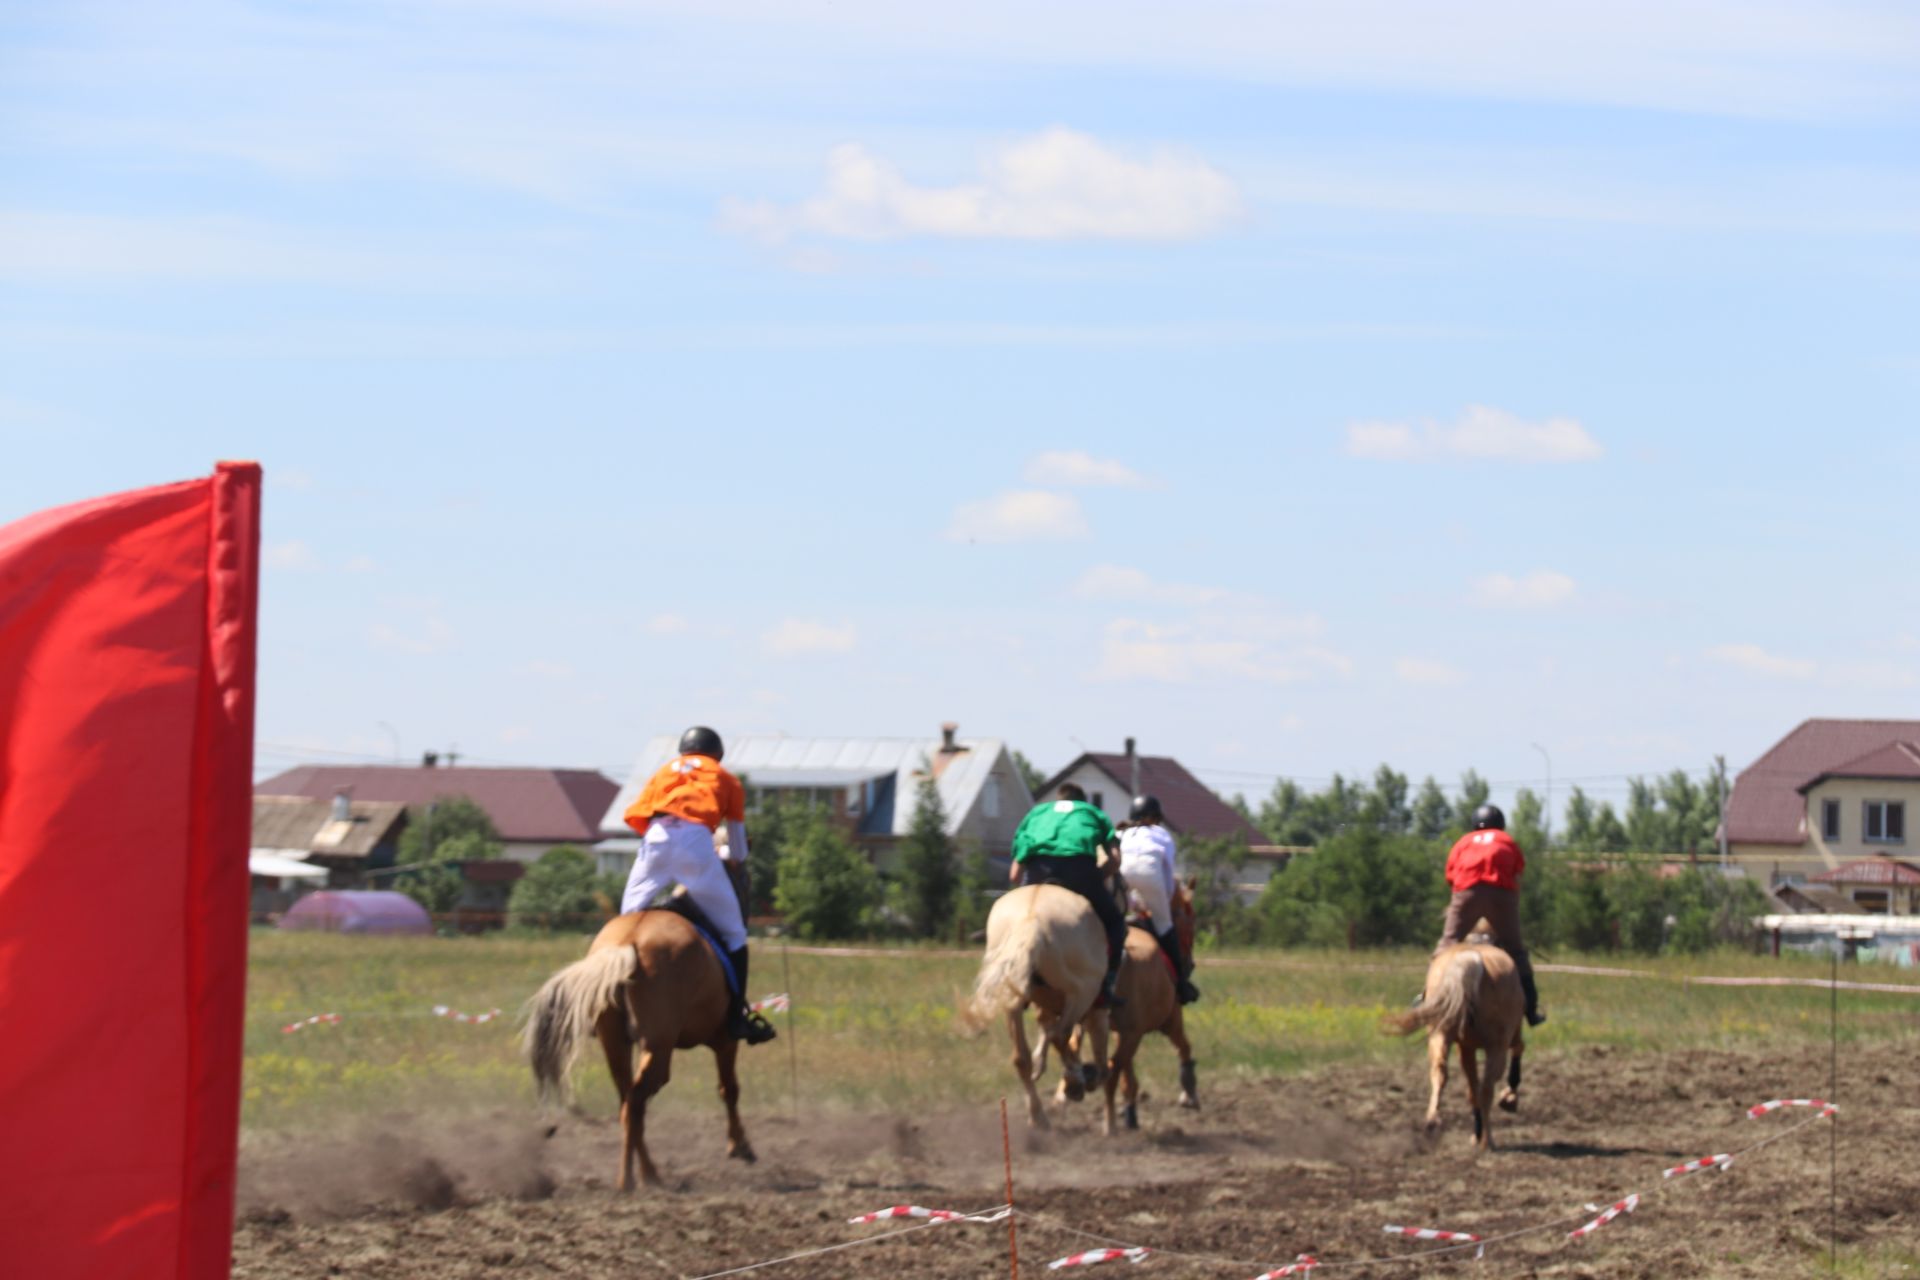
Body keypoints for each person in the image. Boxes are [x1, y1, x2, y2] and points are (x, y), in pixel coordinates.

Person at [620, 726, 777, 1045]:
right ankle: (736, 1018)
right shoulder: (726, 779)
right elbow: (738, 849)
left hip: (656, 838)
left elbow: (640, 819)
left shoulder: (663, 771)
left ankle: (604, 1004)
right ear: (717, 755)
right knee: (734, 934)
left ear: (683, 752)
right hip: (695, 844)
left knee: (624, 926)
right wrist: (724, 854)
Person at [1010, 783, 1128, 1008]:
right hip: (1079, 870)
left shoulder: (1036, 813)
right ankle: (1106, 986)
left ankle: (1020, 976)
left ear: (1058, 798)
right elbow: (1115, 861)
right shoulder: (1093, 813)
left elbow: (1015, 874)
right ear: (1082, 801)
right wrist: (1096, 877)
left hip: (1037, 870)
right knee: (1114, 923)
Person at [1428, 804, 1546, 1027]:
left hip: (1467, 894)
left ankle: (1427, 998)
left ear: (1475, 824)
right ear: (1500, 824)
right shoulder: (1507, 840)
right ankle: (1531, 1009)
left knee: (1446, 946)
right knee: (1517, 952)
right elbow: (1517, 873)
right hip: (1501, 896)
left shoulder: (1463, 842)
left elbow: (1451, 877)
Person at [1118, 795, 1200, 1005]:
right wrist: (1164, 898)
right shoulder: (1161, 834)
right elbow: (1167, 870)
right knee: (1164, 926)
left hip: (1122, 875)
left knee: (1115, 921)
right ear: (1152, 818)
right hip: (1150, 875)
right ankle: (1181, 984)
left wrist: (1134, 904)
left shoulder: (1121, 833)